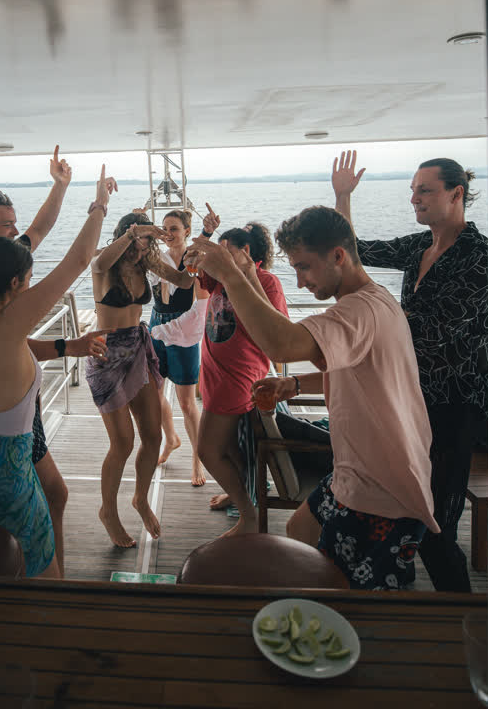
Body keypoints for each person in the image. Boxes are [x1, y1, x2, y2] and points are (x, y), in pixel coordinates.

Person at [187, 205, 439, 589]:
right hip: (353, 471)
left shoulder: (359, 311)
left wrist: (233, 275)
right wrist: (295, 385)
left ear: (338, 256)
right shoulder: (374, 300)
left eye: (304, 267)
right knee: (300, 530)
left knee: (344, 592)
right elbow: (351, 367)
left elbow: (282, 344)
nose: (300, 283)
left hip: (381, 490)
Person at [0, 167, 116, 578]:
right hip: (6, 471)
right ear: (16, 283)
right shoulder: (8, 323)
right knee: (38, 574)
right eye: (30, 281)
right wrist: (100, 204)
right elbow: (79, 260)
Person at [332, 149, 488, 591]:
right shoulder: (421, 246)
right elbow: (355, 251)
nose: (414, 198)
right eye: (413, 190)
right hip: (412, 402)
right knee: (409, 514)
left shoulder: (478, 257)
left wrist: (366, 329)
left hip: (453, 409)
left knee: (437, 527)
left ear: (456, 194)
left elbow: (434, 333)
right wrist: (342, 198)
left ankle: (462, 615)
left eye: (425, 190)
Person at [87, 211, 196, 548]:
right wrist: (136, 232)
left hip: (137, 348)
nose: (141, 248)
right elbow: (99, 261)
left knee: (152, 436)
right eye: (137, 240)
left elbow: (184, 282)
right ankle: (108, 511)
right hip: (106, 355)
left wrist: (196, 256)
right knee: (122, 442)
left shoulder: (146, 265)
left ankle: (141, 498)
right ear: (125, 236)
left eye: (147, 242)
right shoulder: (104, 266)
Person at [191, 221, 288, 534]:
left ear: (246, 251)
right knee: (231, 448)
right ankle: (241, 496)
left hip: (236, 378)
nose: (219, 258)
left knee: (208, 451)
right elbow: (191, 270)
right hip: (214, 375)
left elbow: (277, 325)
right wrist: (201, 245)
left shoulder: (267, 281)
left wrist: (247, 276)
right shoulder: (220, 278)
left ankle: (248, 517)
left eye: (225, 252)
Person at [148, 209, 209, 487]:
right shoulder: (155, 259)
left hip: (183, 329)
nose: (168, 233)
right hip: (156, 325)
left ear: (186, 230)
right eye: (165, 228)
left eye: (174, 228)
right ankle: (171, 438)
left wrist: (207, 233)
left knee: (186, 402)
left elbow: (200, 299)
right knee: (155, 392)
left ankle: (197, 459)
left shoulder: (194, 259)